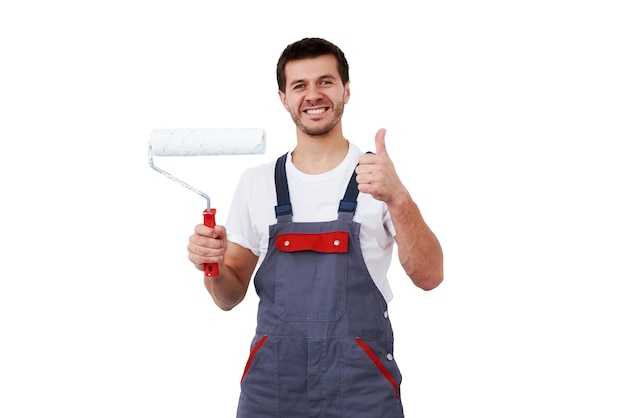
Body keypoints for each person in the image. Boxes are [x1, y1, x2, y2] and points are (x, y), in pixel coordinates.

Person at [187, 37, 444, 418]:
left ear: (346, 90)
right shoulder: (256, 184)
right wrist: (213, 266)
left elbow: (430, 276)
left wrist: (399, 198)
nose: (313, 95)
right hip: (273, 389)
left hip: (361, 387)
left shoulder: (379, 178)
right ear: (283, 97)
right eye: (299, 85)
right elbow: (228, 297)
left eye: (325, 81)